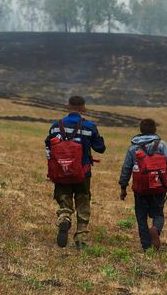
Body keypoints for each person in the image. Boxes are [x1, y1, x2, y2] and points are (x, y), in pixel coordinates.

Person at [45, 96, 106, 249]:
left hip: (61, 171)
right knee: (83, 201)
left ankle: (65, 217)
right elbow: (100, 148)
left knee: (64, 197)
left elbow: (48, 146)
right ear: (83, 108)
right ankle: (81, 237)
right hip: (82, 172)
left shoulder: (55, 126)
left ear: (67, 106)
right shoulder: (89, 126)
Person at [118, 118, 167, 251]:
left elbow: (126, 168)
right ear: (155, 129)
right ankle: (155, 229)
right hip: (158, 185)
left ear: (140, 130)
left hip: (140, 188)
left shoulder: (133, 147)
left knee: (141, 216)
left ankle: (146, 246)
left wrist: (123, 187)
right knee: (158, 213)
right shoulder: (162, 145)